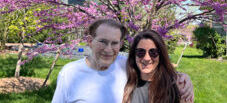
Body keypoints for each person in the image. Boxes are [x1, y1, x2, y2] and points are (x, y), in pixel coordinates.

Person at [52, 18, 193, 103]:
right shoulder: (70, 73)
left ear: (120, 44)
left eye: (114, 43)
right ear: (90, 41)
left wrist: (182, 78)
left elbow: (155, 68)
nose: (108, 50)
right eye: (102, 41)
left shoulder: (123, 64)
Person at [122, 29, 193, 103]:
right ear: (134, 54)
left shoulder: (177, 85)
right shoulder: (126, 82)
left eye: (153, 52)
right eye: (141, 52)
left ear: (161, 55)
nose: (147, 58)